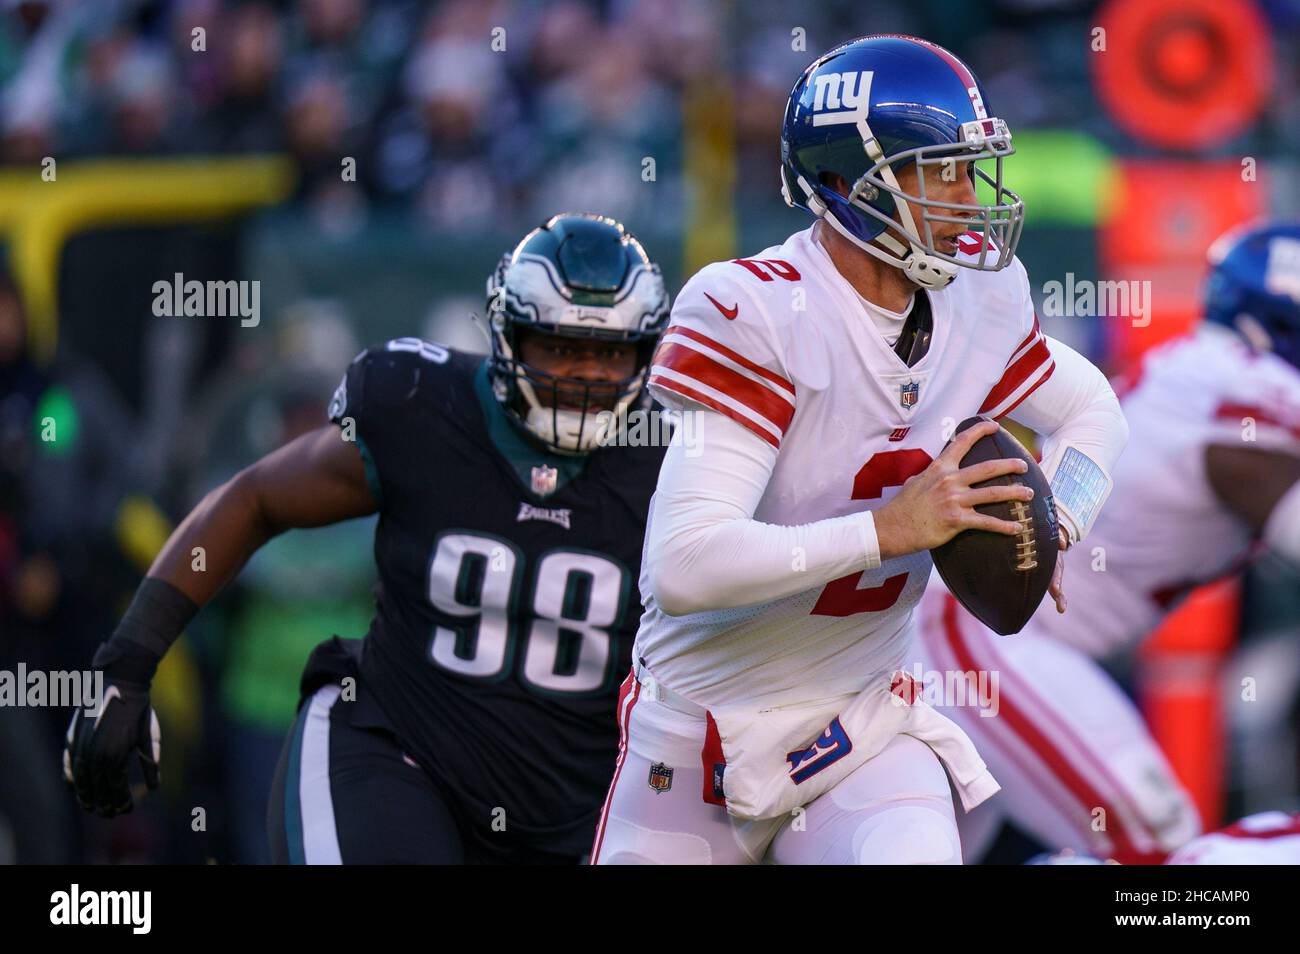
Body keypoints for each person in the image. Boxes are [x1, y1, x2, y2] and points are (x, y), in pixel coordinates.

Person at [590, 34, 1127, 865]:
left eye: (971, 166)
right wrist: (890, 531)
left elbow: (1092, 409)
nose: (968, 193)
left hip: (863, 726)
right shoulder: (760, 311)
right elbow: (685, 565)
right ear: (847, 185)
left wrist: (1059, 517)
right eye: (940, 169)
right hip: (697, 736)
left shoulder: (979, 296)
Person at [65, 213, 673, 864]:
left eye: (609, 354)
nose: (583, 375)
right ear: (510, 336)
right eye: (559, 346)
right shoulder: (423, 408)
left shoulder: (673, 463)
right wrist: (128, 664)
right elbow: (255, 499)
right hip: (393, 755)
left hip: (572, 811)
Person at [913, 221, 1300, 862]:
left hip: (989, 635)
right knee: (1155, 848)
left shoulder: (1206, 370)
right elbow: (1255, 472)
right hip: (986, 633)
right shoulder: (1242, 385)